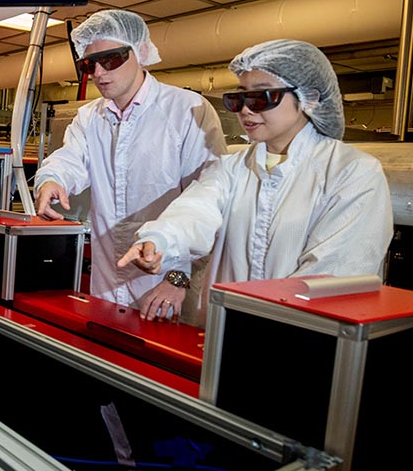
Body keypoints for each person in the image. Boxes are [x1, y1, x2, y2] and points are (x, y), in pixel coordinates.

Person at [118, 39, 393, 324]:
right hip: (224, 335)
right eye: (239, 99)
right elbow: (195, 211)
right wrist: (160, 239)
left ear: (308, 98)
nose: (246, 111)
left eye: (262, 98)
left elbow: (331, 277)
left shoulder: (353, 173)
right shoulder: (231, 168)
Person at [34, 9, 227, 318]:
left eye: (111, 59)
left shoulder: (187, 110)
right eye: (88, 64)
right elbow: (71, 159)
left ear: (141, 53)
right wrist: (52, 179)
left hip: (166, 287)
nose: (98, 72)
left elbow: (210, 201)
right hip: (108, 283)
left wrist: (178, 280)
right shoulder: (90, 117)